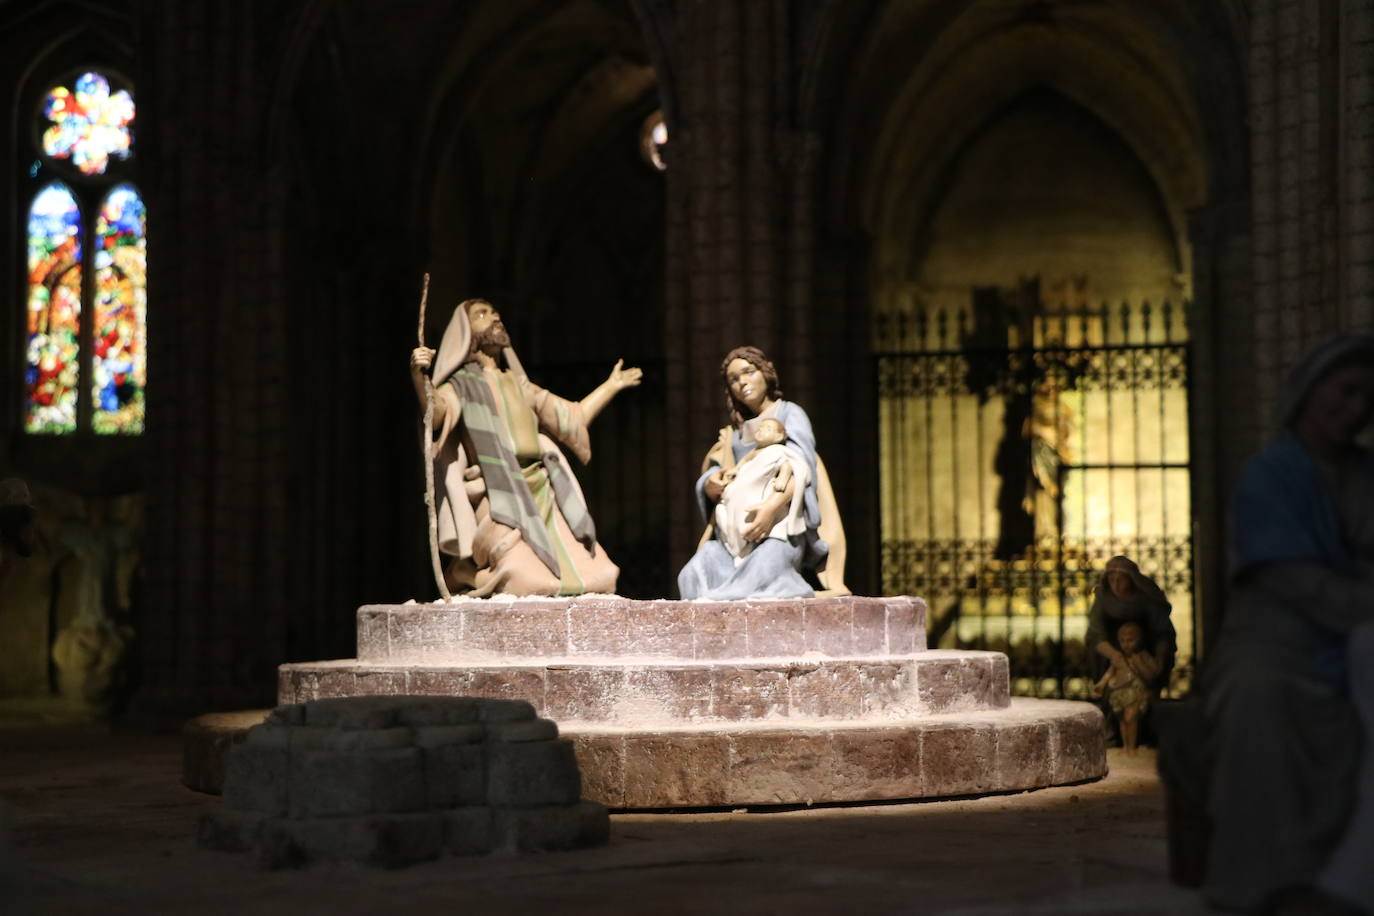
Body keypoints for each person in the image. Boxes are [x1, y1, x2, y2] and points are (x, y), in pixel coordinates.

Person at [1203, 333, 1374, 913]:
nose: (1355, 409)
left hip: (1356, 629)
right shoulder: (1269, 474)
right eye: (1346, 391)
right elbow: (1286, 574)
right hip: (1276, 634)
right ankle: (1262, 880)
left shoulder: (1366, 473)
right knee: (1260, 696)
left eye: (1366, 399)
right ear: (1310, 389)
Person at [409, 298, 641, 596]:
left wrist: (611, 385)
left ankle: (471, 571)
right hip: (497, 493)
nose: (494, 318)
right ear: (466, 333)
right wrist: (420, 377)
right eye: (482, 314)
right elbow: (437, 413)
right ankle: (465, 571)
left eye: (496, 313)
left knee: (601, 575)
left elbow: (573, 416)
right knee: (522, 580)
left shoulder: (520, 386)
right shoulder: (461, 385)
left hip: (541, 491)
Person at [677, 346, 846, 600]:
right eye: (733, 379)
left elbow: (801, 469)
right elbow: (718, 466)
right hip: (735, 538)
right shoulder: (735, 432)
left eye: (748, 372)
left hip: (778, 531)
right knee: (693, 574)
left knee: (753, 584)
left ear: (766, 373)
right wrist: (709, 484)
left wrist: (771, 509)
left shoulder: (789, 414)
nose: (742, 382)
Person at [712, 417, 809, 565]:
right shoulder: (754, 452)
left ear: (780, 436)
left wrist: (782, 479)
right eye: (760, 428)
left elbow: (787, 465)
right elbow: (744, 462)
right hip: (734, 498)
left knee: (749, 525)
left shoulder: (778, 450)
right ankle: (734, 549)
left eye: (768, 428)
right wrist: (735, 470)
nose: (761, 430)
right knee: (723, 515)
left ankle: (744, 550)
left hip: (756, 499)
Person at [1084, 555, 1176, 692]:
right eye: (1111, 579)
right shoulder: (1103, 599)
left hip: (1143, 654)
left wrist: (1159, 660)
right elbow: (1095, 634)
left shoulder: (1146, 598)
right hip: (1112, 657)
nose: (1116, 584)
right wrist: (1116, 657)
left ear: (1132, 579)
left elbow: (1162, 632)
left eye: (1121, 579)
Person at [1091, 620, 1159, 753]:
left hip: (1135, 693)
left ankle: (1132, 746)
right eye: (1122, 641)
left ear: (1139, 640)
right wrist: (1101, 683)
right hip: (1119, 693)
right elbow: (1110, 672)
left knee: (1131, 718)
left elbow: (1152, 674)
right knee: (1122, 720)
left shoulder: (1142, 656)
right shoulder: (1118, 658)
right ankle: (1126, 746)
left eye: (1130, 640)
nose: (1126, 644)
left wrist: (1139, 663)